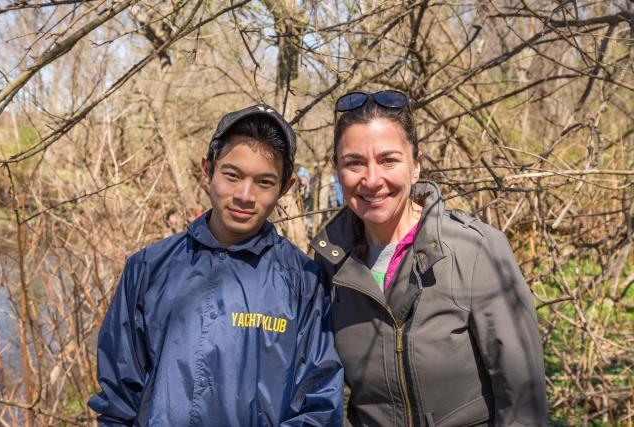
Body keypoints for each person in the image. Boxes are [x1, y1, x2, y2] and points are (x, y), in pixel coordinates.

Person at [89, 104, 344, 426]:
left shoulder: (304, 282)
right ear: (207, 169)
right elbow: (117, 399)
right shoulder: (148, 268)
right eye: (232, 175)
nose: (245, 195)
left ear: (286, 187)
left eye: (265, 182)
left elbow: (318, 404)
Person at [311, 91, 547, 426]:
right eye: (354, 163)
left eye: (388, 160)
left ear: (416, 165)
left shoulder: (474, 250)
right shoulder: (328, 265)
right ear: (337, 170)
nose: (372, 179)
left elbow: (522, 401)